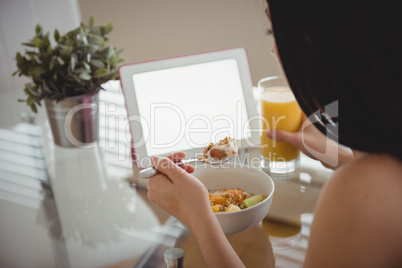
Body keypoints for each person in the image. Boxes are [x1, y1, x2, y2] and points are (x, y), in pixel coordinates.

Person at [147, 1, 402, 267]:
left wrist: (199, 218)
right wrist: (341, 158)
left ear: (314, 43)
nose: (272, 49)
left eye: (273, 31)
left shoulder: (360, 192)